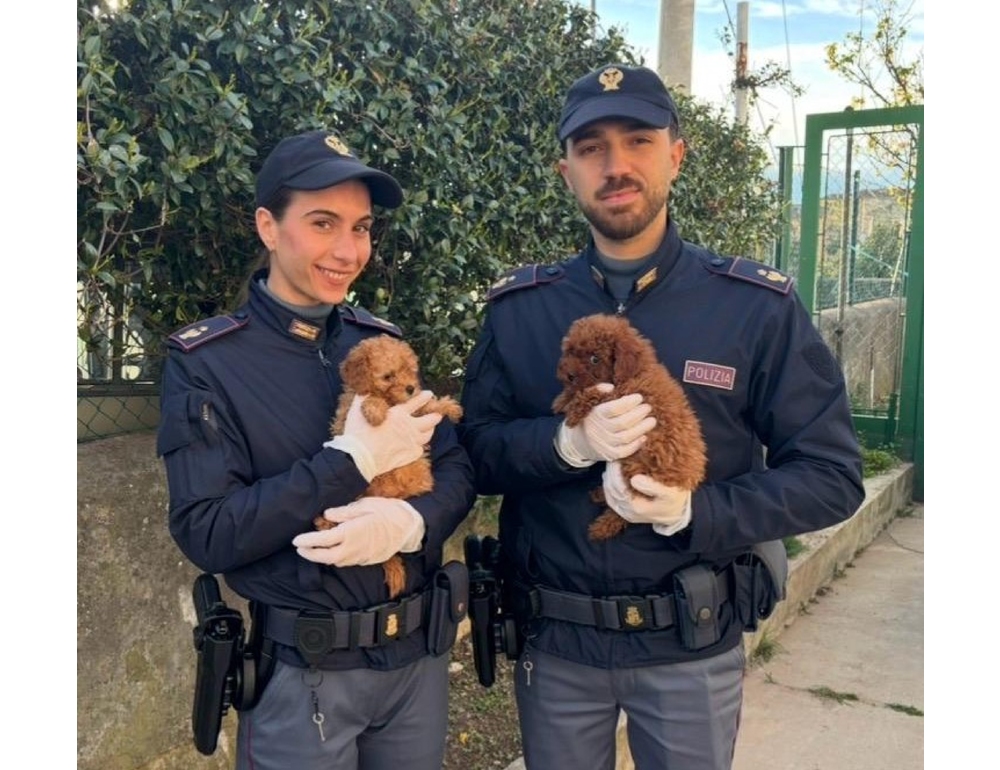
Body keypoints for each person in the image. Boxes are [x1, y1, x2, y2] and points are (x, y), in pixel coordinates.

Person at [457, 64, 866, 770]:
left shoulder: (753, 308)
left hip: (689, 646)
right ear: (566, 171)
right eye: (591, 149)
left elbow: (831, 476)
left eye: (638, 140)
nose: (615, 166)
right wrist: (563, 444)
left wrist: (696, 513)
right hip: (557, 651)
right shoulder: (520, 312)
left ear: (675, 154)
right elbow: (475, 454)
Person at [157, 129, 477, 769]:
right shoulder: (208, 363)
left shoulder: (377, 342)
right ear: (268, 227)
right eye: (323, 223)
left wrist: (412, 523)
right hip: (306, 671)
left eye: (360, 228)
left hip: (416, 658)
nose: (347, 249)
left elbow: (456, 467)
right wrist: (346, 463)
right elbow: (208, 531)